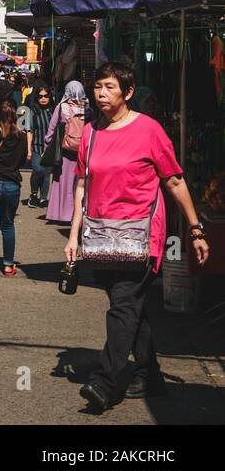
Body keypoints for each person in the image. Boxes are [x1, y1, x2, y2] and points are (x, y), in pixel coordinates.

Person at [65, 62, 211, 413]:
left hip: (142, 234)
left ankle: (104, 381)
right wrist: (73, 237)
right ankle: (150, 373)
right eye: (98, 86)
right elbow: (83, 185)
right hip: (101, 235)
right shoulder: (91, 132)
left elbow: (174, 180)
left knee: (123, 304)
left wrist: (195, 229)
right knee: (131, 305)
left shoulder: (149, 130)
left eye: (110, 87)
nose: (101, 94)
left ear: (127, 93)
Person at [0, 85, 29, 279]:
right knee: (8, 225)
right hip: (12, 183)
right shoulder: (21, 135)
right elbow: (21, 161)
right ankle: (8, 265)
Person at [42, 81, 87, 225]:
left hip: (64, 150)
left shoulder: (62, 107)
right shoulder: (88, 108)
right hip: (83, 150)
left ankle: (61, 213)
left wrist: (47, 145)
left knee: (61, 181)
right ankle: (77, 212)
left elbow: (52, 129)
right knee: (80, 183)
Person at [22, 83, 55, 208]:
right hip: (36, 146)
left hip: (49, 148)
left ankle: (43, 198)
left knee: (47, 173)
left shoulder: (53, 111)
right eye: (40, 96)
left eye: (46, 96)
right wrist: (29, 149)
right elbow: (29, 131)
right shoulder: (33, 111)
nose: (43, 98)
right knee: (38, 169)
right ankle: (33, 194)